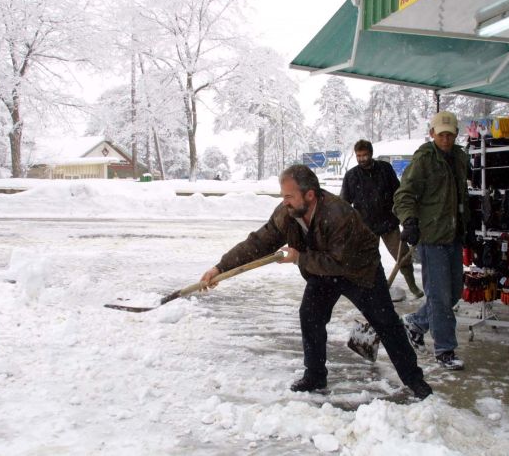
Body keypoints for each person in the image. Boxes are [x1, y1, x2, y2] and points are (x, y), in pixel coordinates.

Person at [200, 164, 432, 399]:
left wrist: (299, 258)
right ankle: (315, 375)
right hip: (320, 272)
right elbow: (259, 241)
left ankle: (414, 379)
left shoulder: (339, 215)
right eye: (283, 196)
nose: (285, 202)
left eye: (289, 196)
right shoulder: (288, 213)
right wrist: (220, 267)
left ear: (309, 195)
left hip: (360, 272)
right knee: (310, 316)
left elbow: (338, 263)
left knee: (385, 322)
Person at [393, 111, 469, 370]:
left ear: (456, 135)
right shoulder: (424, 159)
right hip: (432, 237)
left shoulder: (459, 158)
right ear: (432, 134)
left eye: (450, 134)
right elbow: (404, 195)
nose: (446, 139)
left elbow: (461, 196)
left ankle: (415, 323)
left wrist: (467, 227)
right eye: (441, 135)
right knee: (439, 296)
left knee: (454, 292)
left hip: (453, 235)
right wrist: (410, 221)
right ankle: (445, 350)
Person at [340, 139, 423, 298]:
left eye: (365, 155)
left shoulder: (385, 169)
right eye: (359, 156)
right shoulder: (351, 176)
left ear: (371, 154)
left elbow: (398, 193)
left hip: (388, 222)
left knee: (403, 256)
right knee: (369, 262)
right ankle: (375, 291)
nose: (362, 159)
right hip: (366, 227)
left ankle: (412, 286)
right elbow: (344, 203)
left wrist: (403, 214)